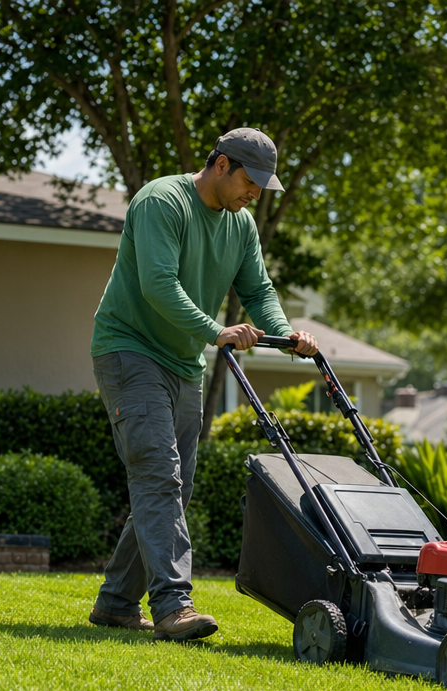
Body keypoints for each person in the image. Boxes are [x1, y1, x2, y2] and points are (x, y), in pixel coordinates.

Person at [88, 127, 318, 642]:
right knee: (158, 475)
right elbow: (158, 283)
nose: (255, 193)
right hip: (130, 350)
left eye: (263, 185)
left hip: (184, 362)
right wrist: (216, 332)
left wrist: (287, 335)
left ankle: (116, 604)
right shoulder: (162, 201)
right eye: (250, 181)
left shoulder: (240, 225)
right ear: (220, 165)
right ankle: (173, 605)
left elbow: (258, 290)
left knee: (176, 486)